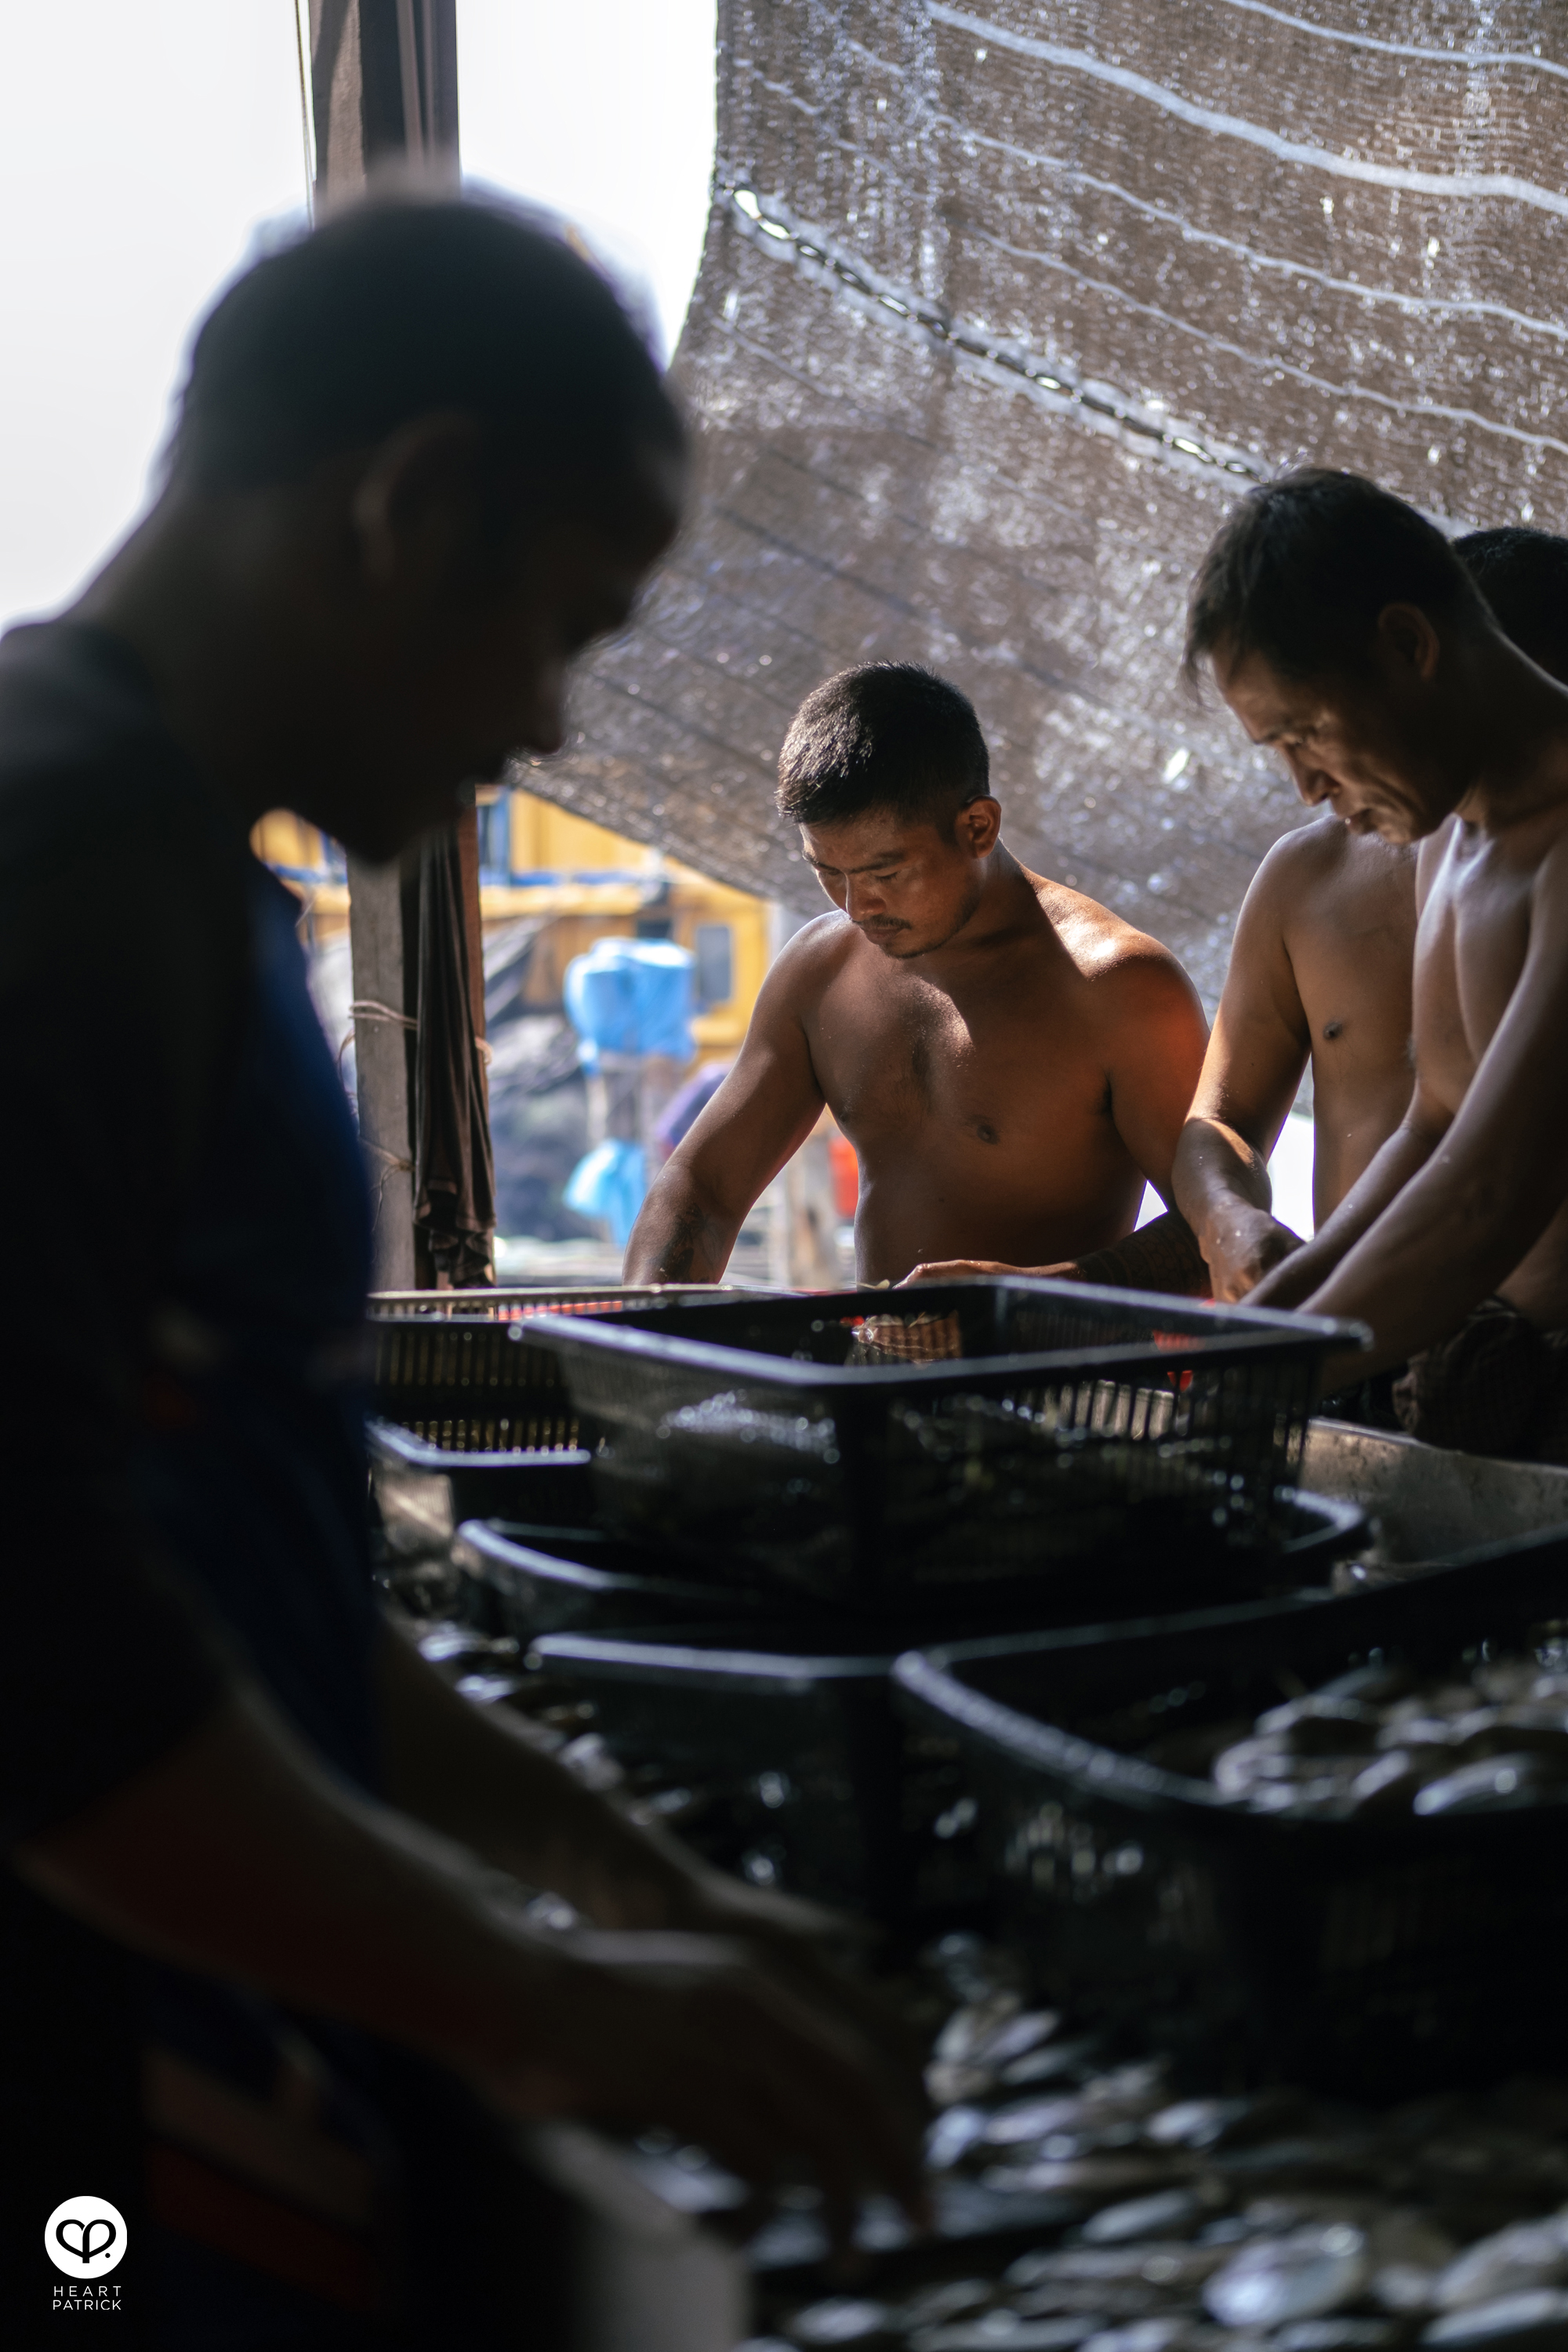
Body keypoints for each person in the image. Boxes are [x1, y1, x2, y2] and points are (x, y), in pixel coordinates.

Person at [0, 195, 921, 2346]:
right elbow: (40, 1662)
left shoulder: (178, 874)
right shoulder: (59, 881)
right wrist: (542, 2000)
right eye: (568, 629)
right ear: (412, 505)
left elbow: (248, 1582)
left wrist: (626, 1877)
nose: (548, 728)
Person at [1183, 469, 1568, 1463]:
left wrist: (1269, 1376)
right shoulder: (1451, 831)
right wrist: (1263, 1330)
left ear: (1408, 644)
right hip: (1476, 1373)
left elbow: (1490, 1191)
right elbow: (1434, 1120)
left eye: (1305, 731)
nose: (1306, 785)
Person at [625, 662, 1210, 1290]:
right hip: (871, 1377)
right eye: (827, 871)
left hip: (1056, 1379)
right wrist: (642, 1349)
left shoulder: (1118, 987)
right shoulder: (821, 972)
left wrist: (1019, 1304)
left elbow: (1217, 1232)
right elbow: (703, 1189)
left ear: (978, 827)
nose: (855, 906)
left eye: (885, 872)